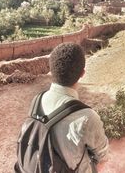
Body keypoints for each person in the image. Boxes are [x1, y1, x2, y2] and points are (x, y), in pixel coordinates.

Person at [41, 42, 109, 172]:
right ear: (82, 73)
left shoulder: (38, 101)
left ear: (51, 71)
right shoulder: (87, 117)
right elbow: (102, 158)